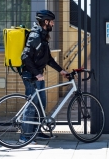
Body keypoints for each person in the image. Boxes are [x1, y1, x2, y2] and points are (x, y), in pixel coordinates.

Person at [19, 9, 67, 144]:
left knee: (41, 104)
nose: (53, 24)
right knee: (32, 104)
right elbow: (25, 57)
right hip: (31, 76)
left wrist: (61, 71)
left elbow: (48, 59)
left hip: (37, 75)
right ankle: (25, 136)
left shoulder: (43, 36)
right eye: (52, 21)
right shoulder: (35, 36)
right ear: (46, 22)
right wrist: (37, 73)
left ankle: (37, 132)